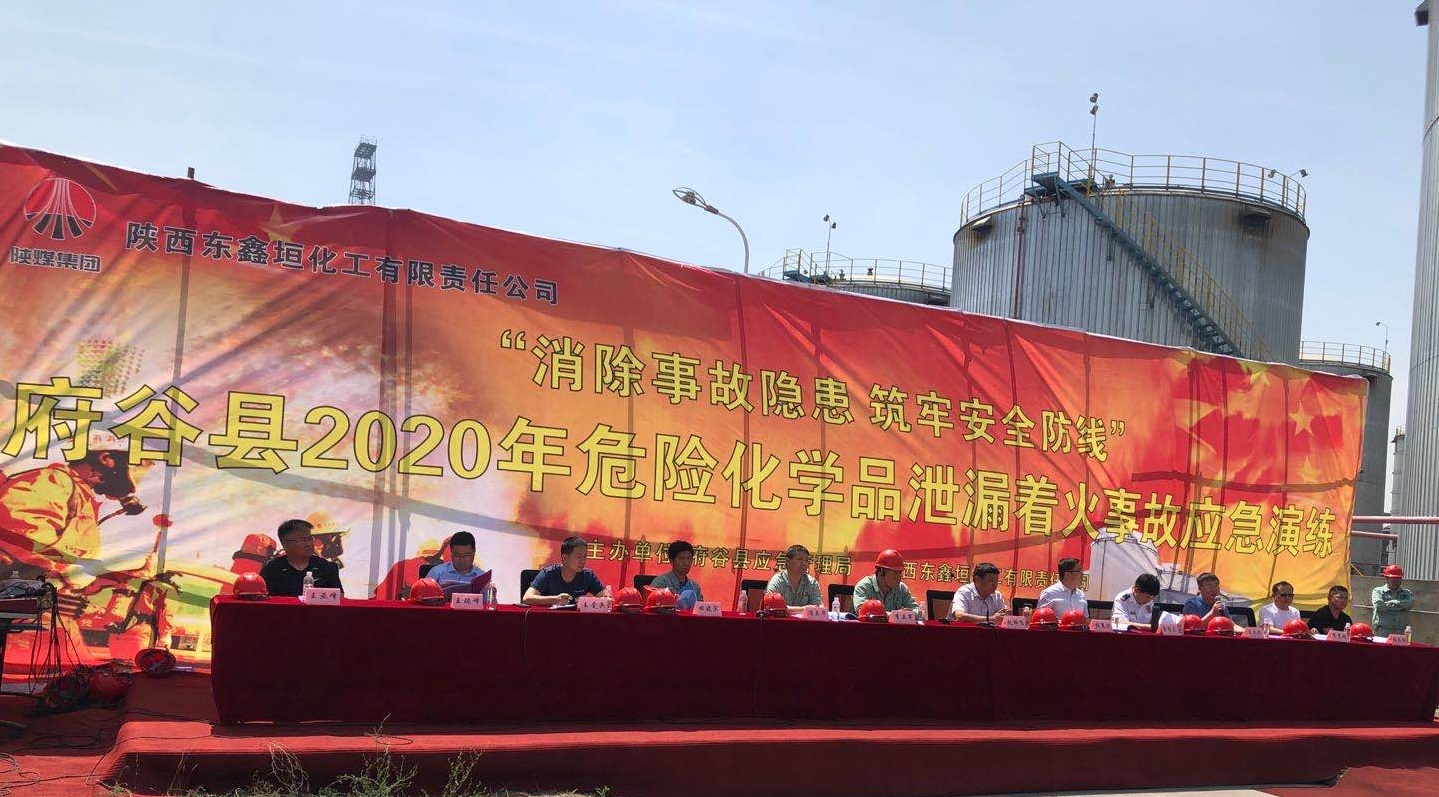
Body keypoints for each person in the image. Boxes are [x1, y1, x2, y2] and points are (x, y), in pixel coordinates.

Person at [259, 519, 343, 597]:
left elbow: (339, 598)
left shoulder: (327, 567)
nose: (308, 544)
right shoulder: (271, 570)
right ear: (285, 543)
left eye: (310, 538)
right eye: (302, 540)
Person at [523, 535, 610, 606]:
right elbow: (527, 598)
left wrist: (607, 597)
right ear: (565, 558)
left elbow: (604, 596)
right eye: (579, 557)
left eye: (585, 556)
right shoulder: (548, 574)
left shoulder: (588, 575)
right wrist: (555, 599)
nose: (583, 561)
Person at [851, 549, 919, 612]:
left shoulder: (901, 588)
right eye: (895, 573)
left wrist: (909, 613)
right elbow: (862, 611)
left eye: (900, 573)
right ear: (881, 571)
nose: (899, 577)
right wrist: (895, 614)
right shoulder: (864, 586)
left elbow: (916, 610)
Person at [423, 531, 490, 593]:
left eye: (466, 555)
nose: (462, 559)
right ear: (451, 553)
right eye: (457, 555)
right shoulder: (436, 573)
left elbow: (488, 601)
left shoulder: (482, 577)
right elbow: (423, 597)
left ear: (474, 553)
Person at [766, 544, 823, 610]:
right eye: (800, 559)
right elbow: (772, 607)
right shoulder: (777, 581)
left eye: (806, 560)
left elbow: (818, 608)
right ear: (788, 561)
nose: (804, 564)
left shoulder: (812, 582)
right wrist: (804, 609)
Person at [1371, 565, 1415, 639]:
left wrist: (1393, 603)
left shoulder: (1406, 593)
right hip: (1383, 631)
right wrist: (1401, 606)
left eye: (1399, 578)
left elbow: (1409, 604)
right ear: (1386, 578)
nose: (1396, 581)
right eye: (1393, 578)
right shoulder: (1378, 591)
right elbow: (1379, 605)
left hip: (1401, 631)